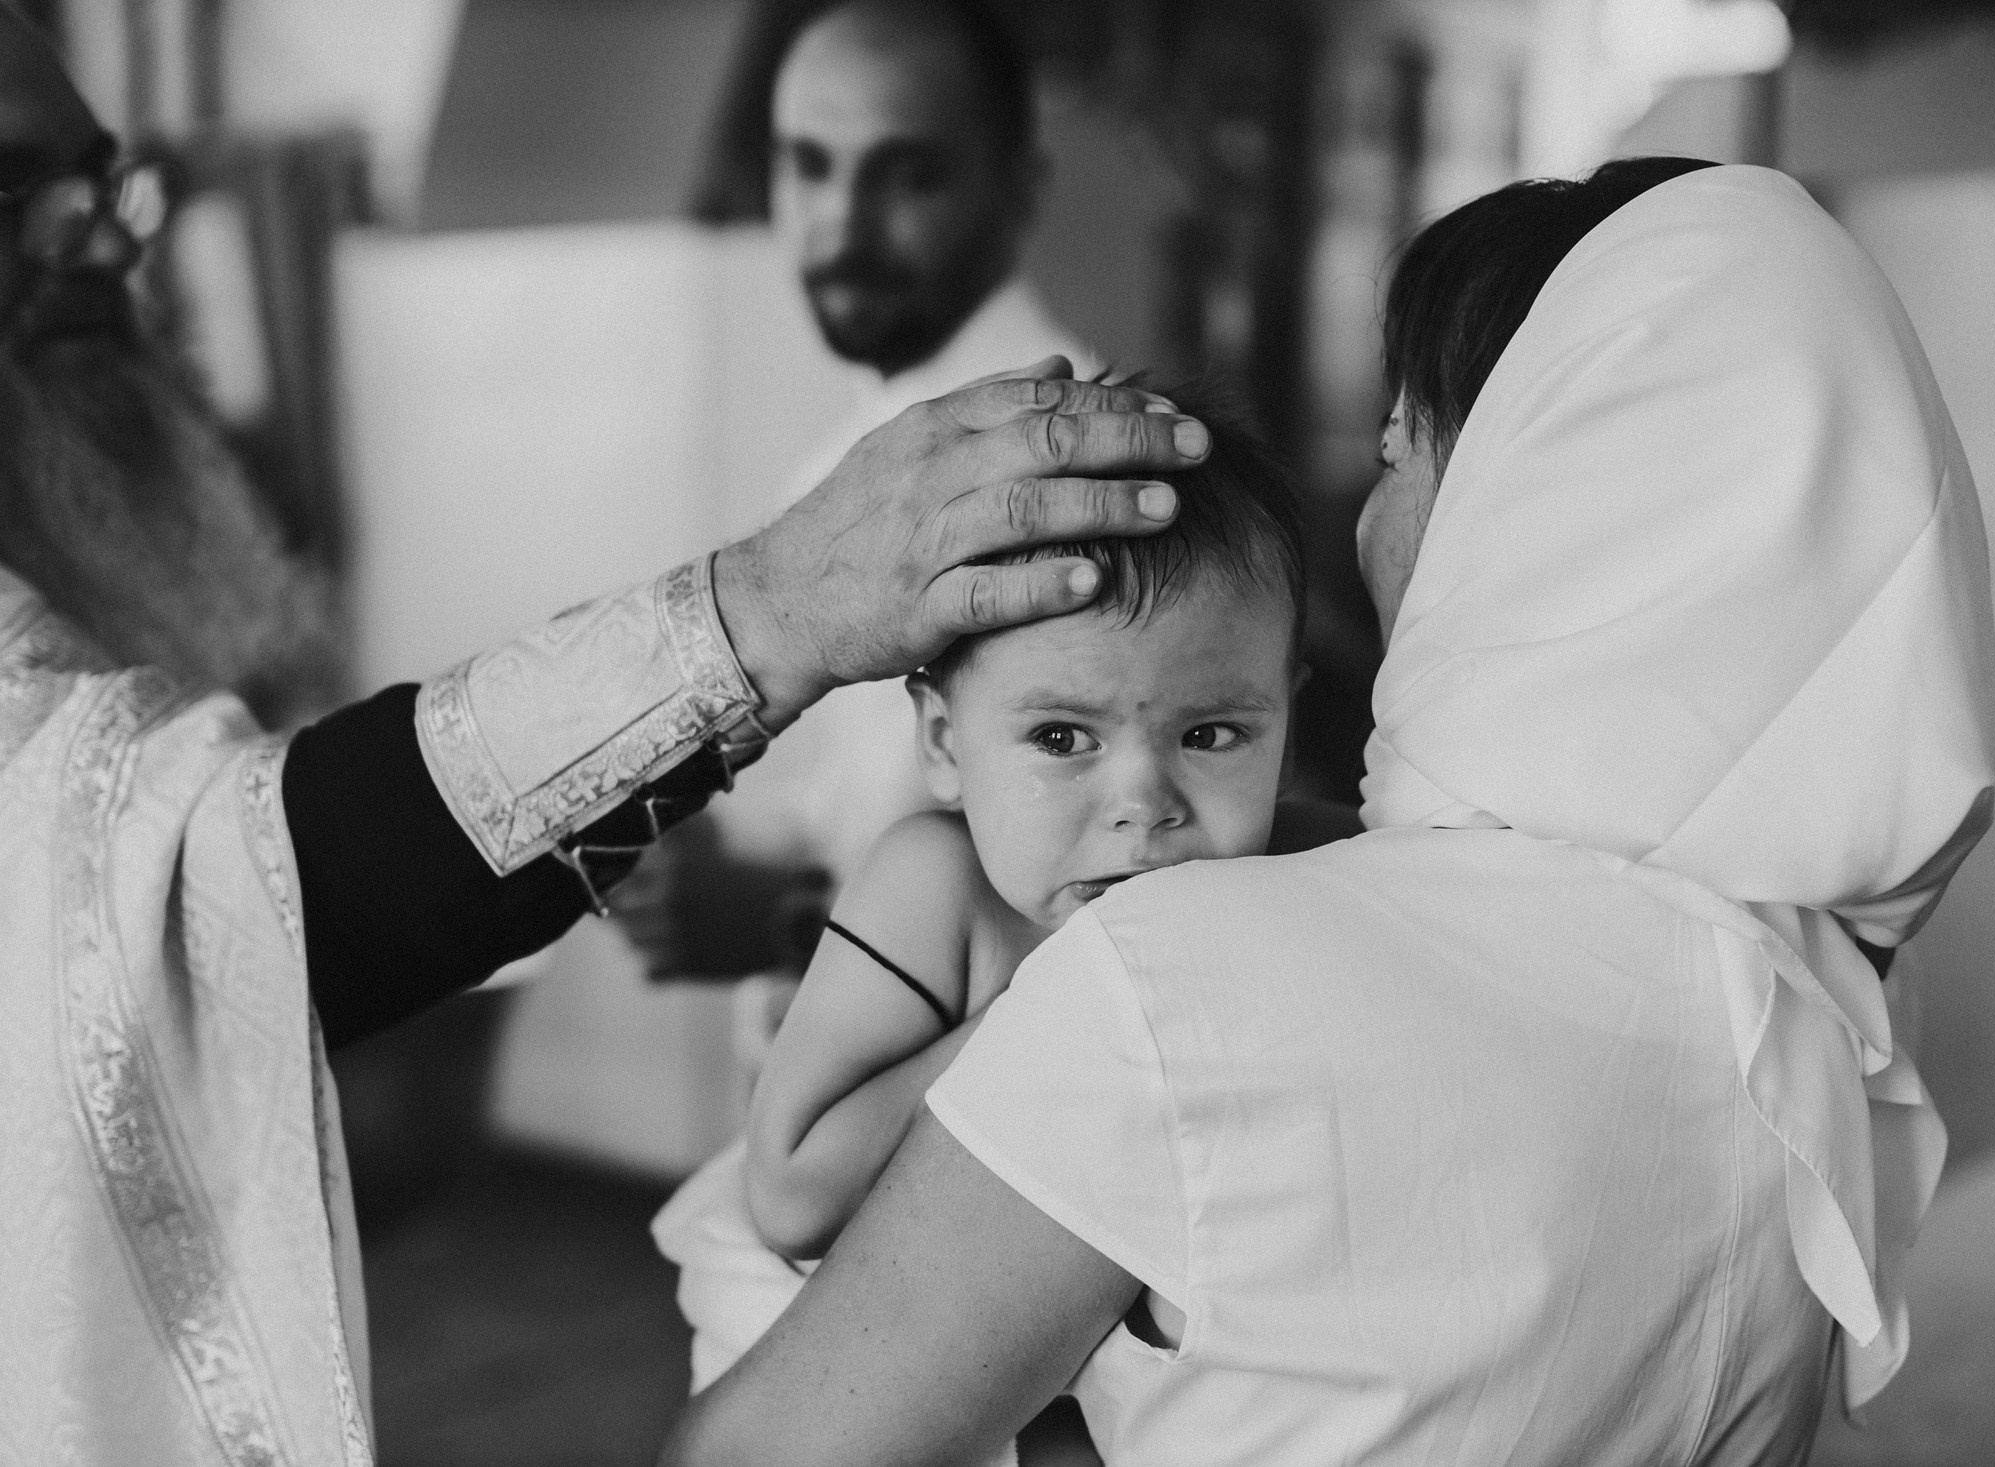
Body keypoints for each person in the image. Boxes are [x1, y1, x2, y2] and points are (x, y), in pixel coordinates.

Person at [0, 10, 1213, 1458]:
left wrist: (784, 892)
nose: (109, 241)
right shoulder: (871, 466)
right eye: (29, 193)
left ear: (1017, 185)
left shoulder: (1057, 483)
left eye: (106, 181)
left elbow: (1121, 891)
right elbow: (226, 883)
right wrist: (767, 639)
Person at [660, 158, 1995, 1467]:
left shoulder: (1175, 980)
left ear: (1541, 496)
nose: (1367, 523)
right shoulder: (1823, 1020)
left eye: (1400, 454)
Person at [651, 383, 1305, 1419]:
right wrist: (1045, 1010)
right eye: (1061, 739)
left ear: (1285, 720)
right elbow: (791, 1196)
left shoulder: (1276, 883)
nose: (1141, 807)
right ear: (946, 744)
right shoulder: (937, 887)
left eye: (1213, 735)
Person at [682, 0, 1097, 930]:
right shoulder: (846, 456)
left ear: (1021, 187)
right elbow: (881, 798)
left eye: (907, 176)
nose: (842, 224)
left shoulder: (1070, 473)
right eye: (808, 164)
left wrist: (785, 919)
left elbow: (1102, 879)